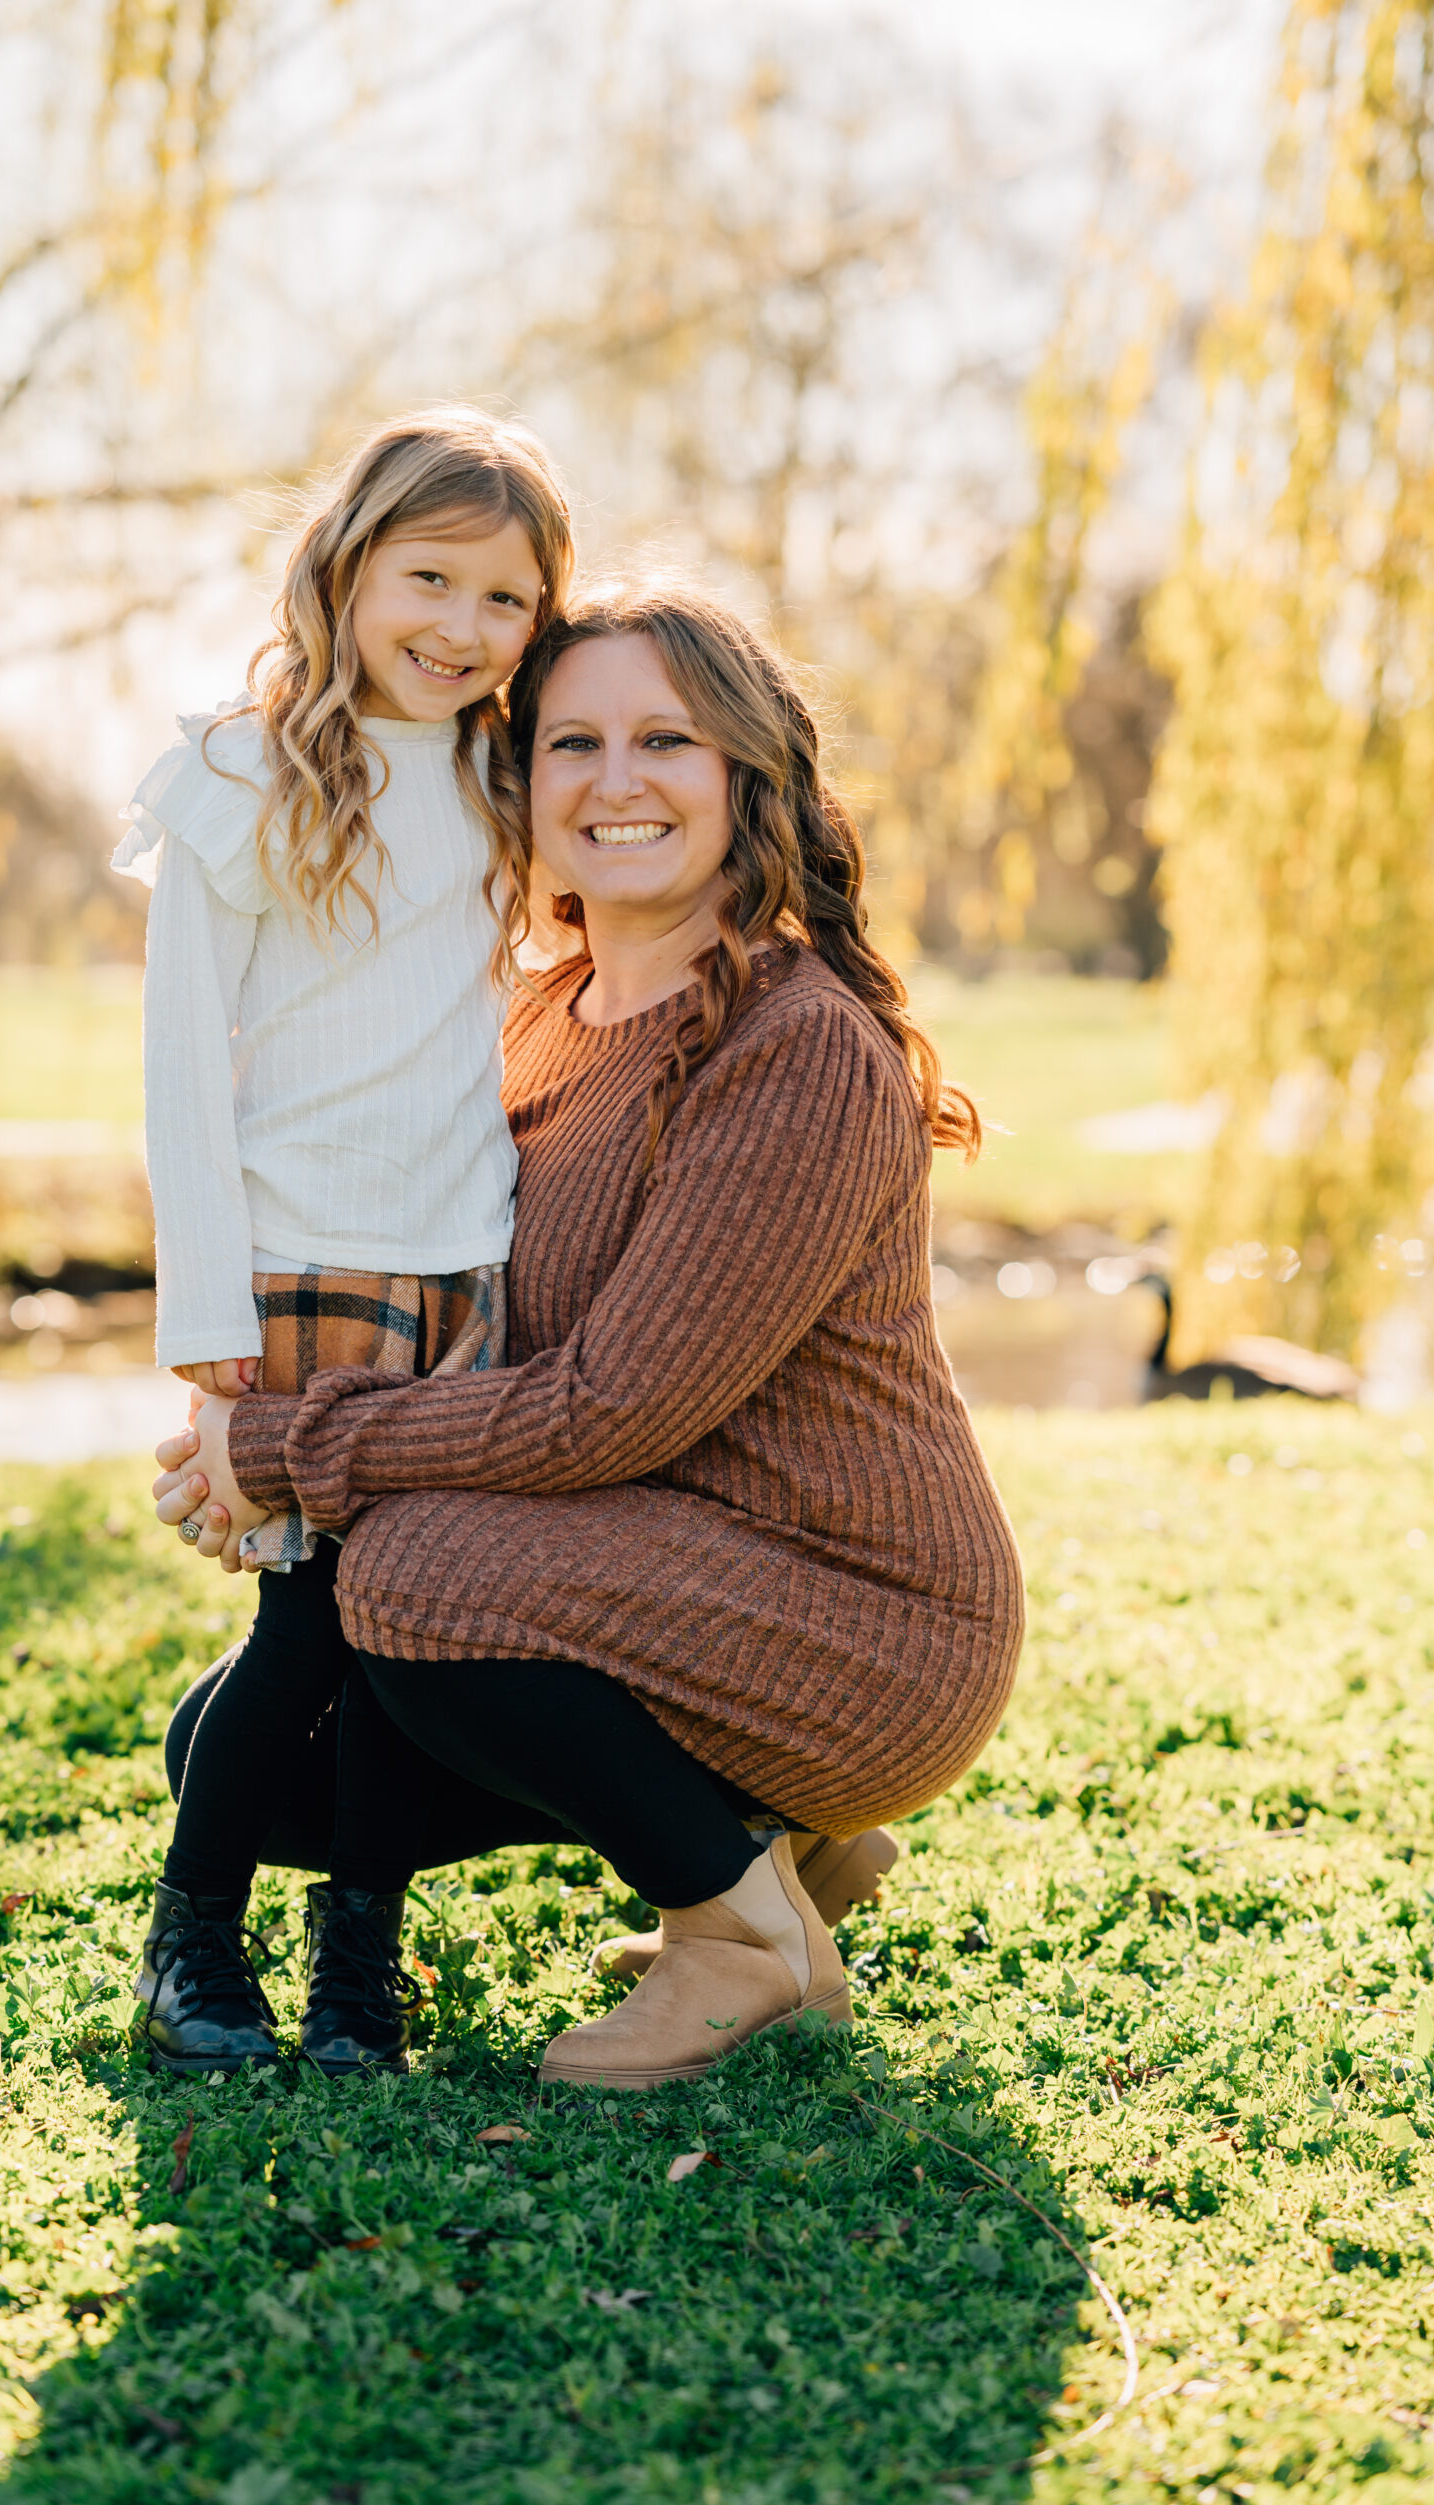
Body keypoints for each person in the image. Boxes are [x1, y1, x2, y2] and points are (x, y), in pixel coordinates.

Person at [157, 576, 1026, 2093]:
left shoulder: (792, 1046)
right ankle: (772, 1844)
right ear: (520, 778)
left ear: (748, 778)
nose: (616, 783)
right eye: (572, 744)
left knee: (421, 1574)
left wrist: (290, 1451)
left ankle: (741, 1938)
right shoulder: (541, 1014)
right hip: (654, 1576)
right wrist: (243, 1419)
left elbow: (608, 1411)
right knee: (243, 1754)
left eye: (666, 742)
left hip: (864, 1622)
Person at [117, 408, 573, 2073]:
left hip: (462, 1266)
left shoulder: (507, 778)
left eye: (505, 601)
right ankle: (192, 1950)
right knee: (304, 1629)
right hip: (300, 1264)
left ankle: (356, 1981)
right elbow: (180, 1064)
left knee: (406, 1632)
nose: (459, 627)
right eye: (428, 578)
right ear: (348, 567)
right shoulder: (241, 774)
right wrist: (202, 1313)